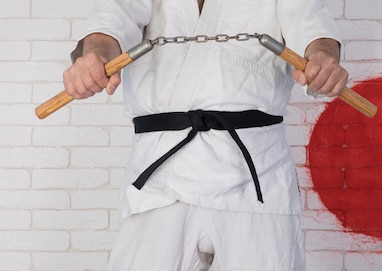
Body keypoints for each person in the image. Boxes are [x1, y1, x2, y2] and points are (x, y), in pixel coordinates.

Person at [62, 0, 347, 270]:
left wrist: (322, 58)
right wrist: (94, 56)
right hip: (160, 177)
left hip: (256, 176)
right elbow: (111, 21)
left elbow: (312, 27)